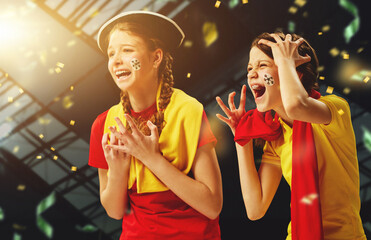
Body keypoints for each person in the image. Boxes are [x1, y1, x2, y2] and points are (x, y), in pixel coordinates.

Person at [216, 32, 366, 240]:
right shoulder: (277, 139)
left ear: (295, 72)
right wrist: (241, 137)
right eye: (250, 68)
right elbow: (255, 208)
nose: (250, 74)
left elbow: (297, 106)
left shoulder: (333, 110)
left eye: (262, 66)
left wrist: (286, 63)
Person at [88, 11, 223, 239]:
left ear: (156, 57)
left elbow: (211, 206)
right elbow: (114, 211)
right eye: (111, 53)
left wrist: (151, 159)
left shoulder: (188, 110)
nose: (116, 60)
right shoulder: (104, 124)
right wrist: (119, 171)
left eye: (127, 50)